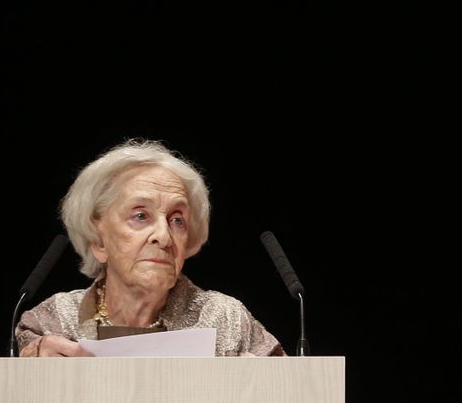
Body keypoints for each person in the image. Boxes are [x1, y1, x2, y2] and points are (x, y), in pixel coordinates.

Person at [16, 139, 283, 357]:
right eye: (141, 216)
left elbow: (286, 393)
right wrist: (33, 366)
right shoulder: (52, 323)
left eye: (177, 220)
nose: (164, 237)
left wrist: (256, 380)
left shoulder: (226, 320)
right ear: (98, 240)